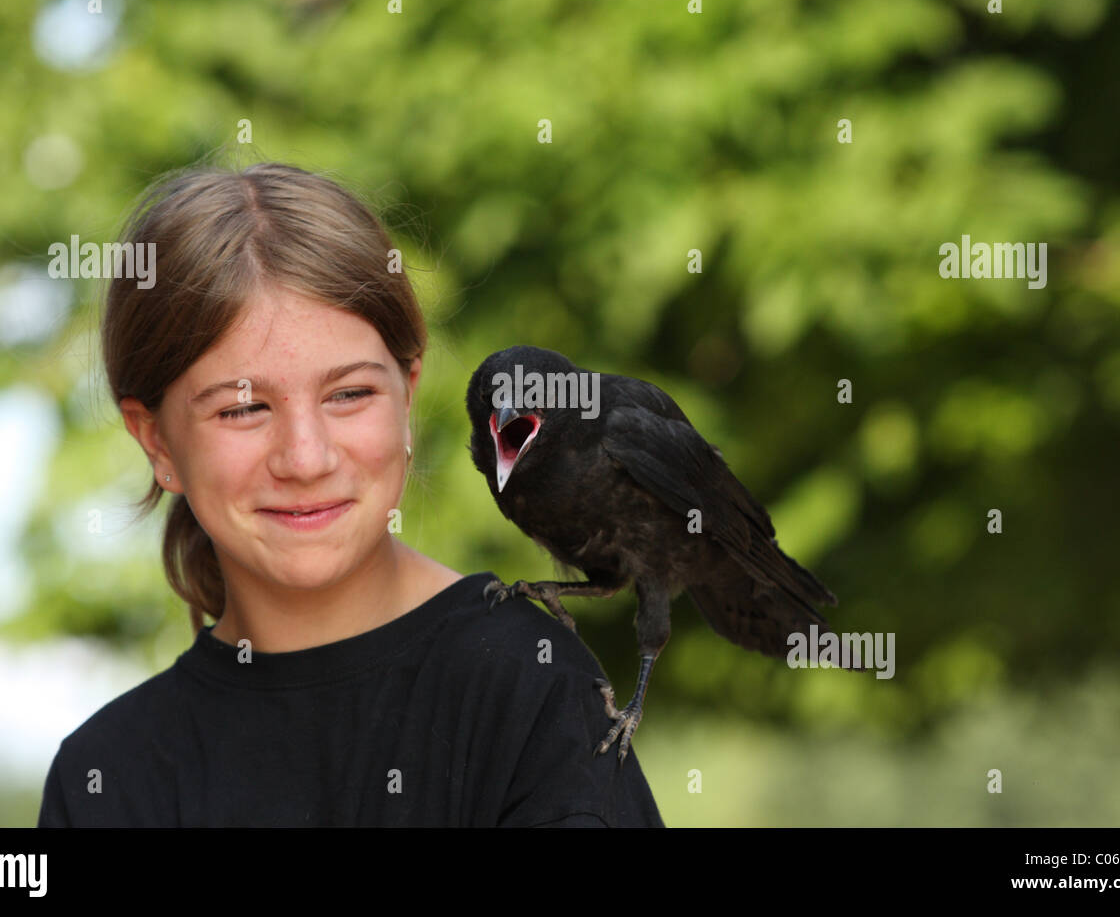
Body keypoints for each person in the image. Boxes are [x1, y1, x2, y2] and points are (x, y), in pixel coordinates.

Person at [36, 161, 664, 826]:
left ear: (407, 396)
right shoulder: (105, 778)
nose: (305, 458)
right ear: (157, 441)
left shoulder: (529, 691)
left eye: (349, 395)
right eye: (243, 410)